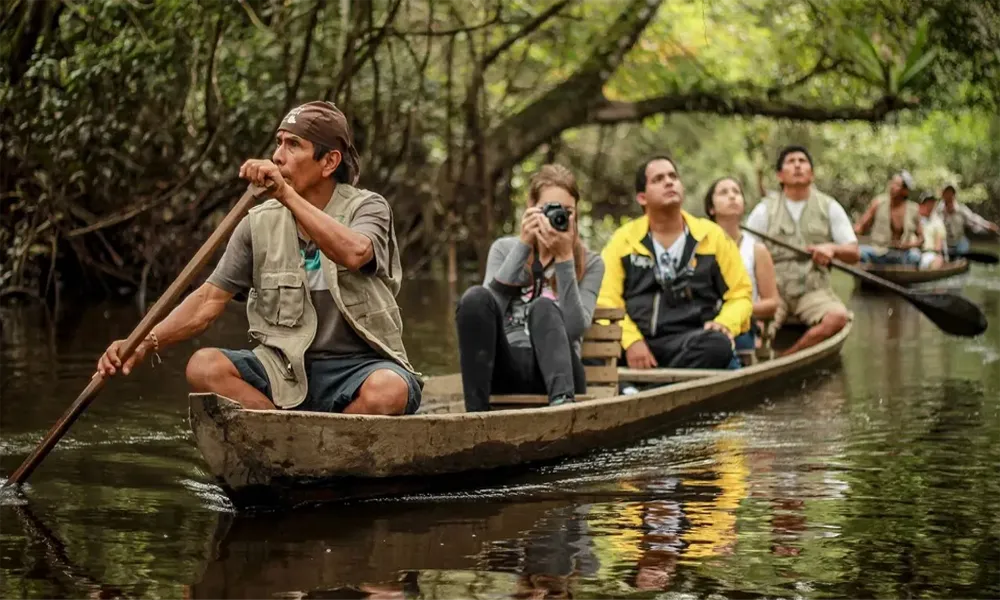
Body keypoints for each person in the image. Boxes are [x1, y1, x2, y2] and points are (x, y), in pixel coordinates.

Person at [96, 101, 423, 415]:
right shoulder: (258, 223)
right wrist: (144, 342)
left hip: (359, 366)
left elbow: (355, 253)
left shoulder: (368, 208)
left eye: (294, 145)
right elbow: (208, 300)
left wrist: (285, 194)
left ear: (329, 162)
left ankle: (332, 437)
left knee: (389, 391)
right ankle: (284, 435)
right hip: (284, 368)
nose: (278, 156)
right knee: (203, 367)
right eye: (278, 143)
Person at [455, 164, 604, 411]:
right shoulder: (504, 249)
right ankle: (475, 417)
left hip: (561, 372)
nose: (558, 217)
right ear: (531, 208)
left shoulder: (591, 263)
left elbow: (576, 328)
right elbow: (486, 314)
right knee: (474, 297)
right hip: (508, 368)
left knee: (543, 307)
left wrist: (565, 258)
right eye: (549, 210)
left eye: (567, 211)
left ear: (576, 213)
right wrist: (524, 246)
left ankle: (562, 410)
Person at [597, 156, 752, 370]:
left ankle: (643, 392)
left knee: (718, 344)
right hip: (638, 344)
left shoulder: (712, 236)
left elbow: (740, 295)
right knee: (585, 349)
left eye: (673, 176)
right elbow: (606, 299)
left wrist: (725, 323)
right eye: (658, 179)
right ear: (642, 197)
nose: (669, 182)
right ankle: (645, 388)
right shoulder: (623, 240)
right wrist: (631, 341)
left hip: (692, 341)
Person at [745, 145, 858, 356]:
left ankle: (788, 358)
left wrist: (832, 249)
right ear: (780, 175)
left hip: (813, 289)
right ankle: (757, 353)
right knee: (750, 326)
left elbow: (853, 253)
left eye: (802, 161)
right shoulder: (764, 210)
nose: (797, 165)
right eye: (790, 162)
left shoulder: (829, 206)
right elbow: (745, 252)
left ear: (812, 174)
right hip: (774, 291)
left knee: (838, 318)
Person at [703, 177, 779, 352]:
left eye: (736, 192)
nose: (732, 196)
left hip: (740, 326)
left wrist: (735, 311)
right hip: (704, 323)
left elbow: (772, 303)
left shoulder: (756, 249)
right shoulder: (699, 245)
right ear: (711, 208)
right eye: (724, 192)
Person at [854, 171, 923, 265]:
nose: (892, 187)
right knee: (859, 252)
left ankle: (905, 276)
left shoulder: (913, 209)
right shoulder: (878, 203)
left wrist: (908, 245)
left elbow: (921, 239)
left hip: (903, 254)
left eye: (897, 185)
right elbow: (861, 226)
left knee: (916, 256)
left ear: (905, 190)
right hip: (879, 251)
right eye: (892, 183)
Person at [937, 183, 1000, 255]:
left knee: (963, 248)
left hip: (959, 240)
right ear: (942, 195)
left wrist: (988, 225)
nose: (949, 195)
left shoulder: (961, 209)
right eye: (946, 193)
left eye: (951, 193)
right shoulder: (938, 210)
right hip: (944, 242)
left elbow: (973, 218)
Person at [917, 191, 947, 270]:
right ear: (922, 204)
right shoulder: (916, 219)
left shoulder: (938, 222)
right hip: (916, 253)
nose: (930, 205)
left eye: (932, 203)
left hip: (930, 253)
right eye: (928, 202)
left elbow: (939, 243)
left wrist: (938, 255)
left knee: (936, 261)